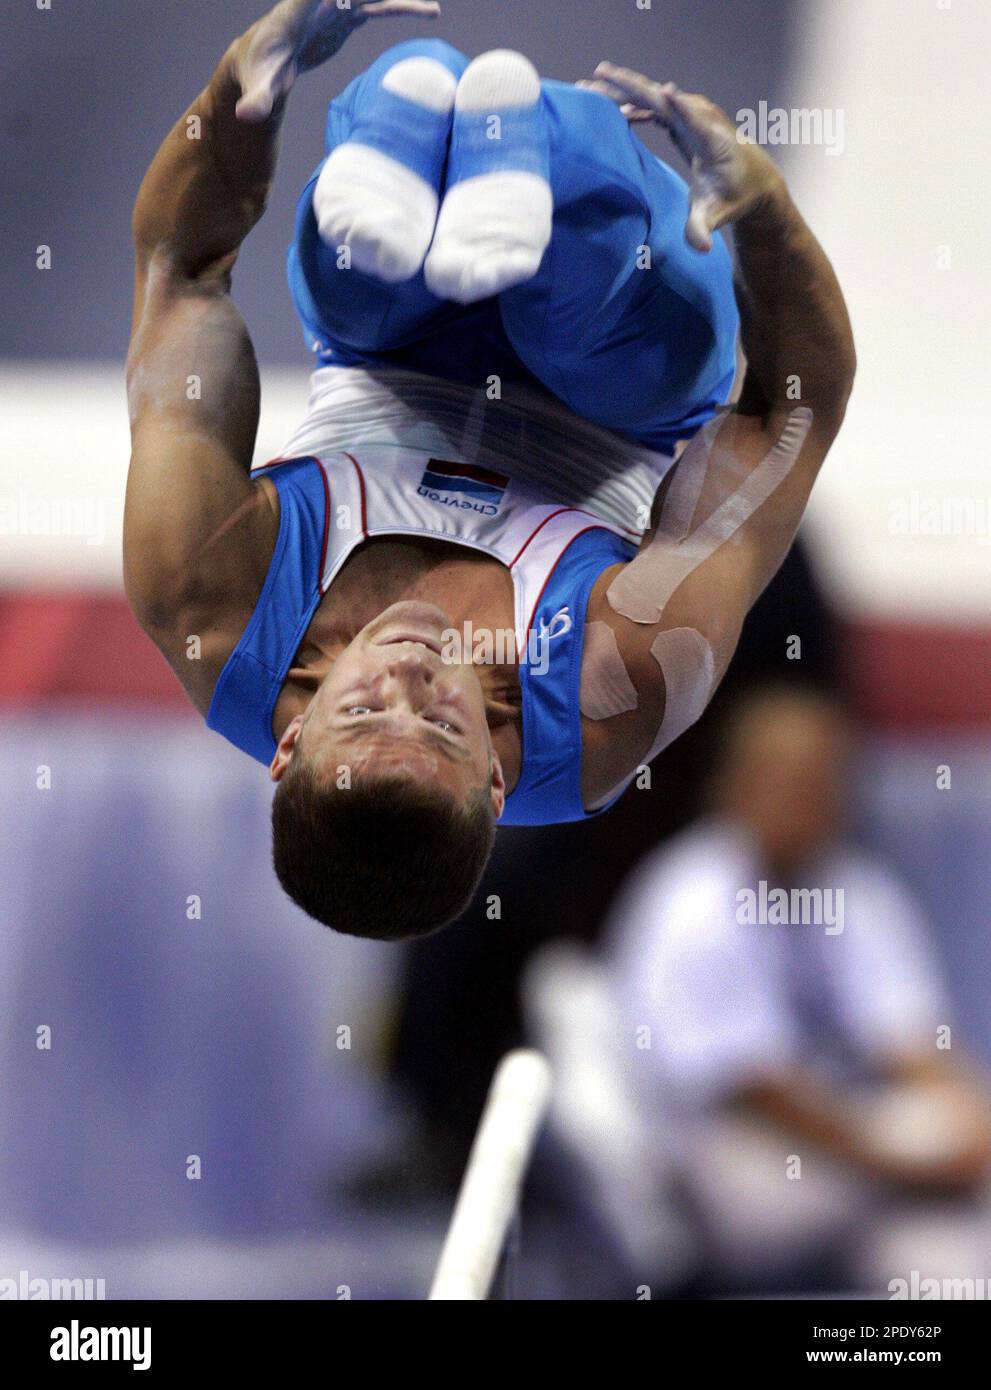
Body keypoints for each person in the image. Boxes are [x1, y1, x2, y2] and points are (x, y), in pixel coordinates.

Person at [124, 0, 855, 939]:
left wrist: (241, 83)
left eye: (365, 711)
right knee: (583, 286)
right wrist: (764, 214)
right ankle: (517, 159)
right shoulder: (607, 695)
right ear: (497, 780)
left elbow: (183, 271)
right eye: (440, 726)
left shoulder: (206, 603)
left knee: (360, 260)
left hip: (383, 350)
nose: (411, 674)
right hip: (618, 400)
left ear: (290, 741)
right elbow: (789, 409)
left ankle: (405, 135)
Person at [608, 686, 991, 1290]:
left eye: (819, 783)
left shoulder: (860, 890)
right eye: (783, 781)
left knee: (957, 1270)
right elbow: (752, 1089)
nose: (802, 801)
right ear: (733, 785)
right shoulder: (691, 897)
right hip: (723, 1153)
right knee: (802, 1187)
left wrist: (972, 1128)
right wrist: (900, 1161)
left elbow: (915, 1048)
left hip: (855, 1146)